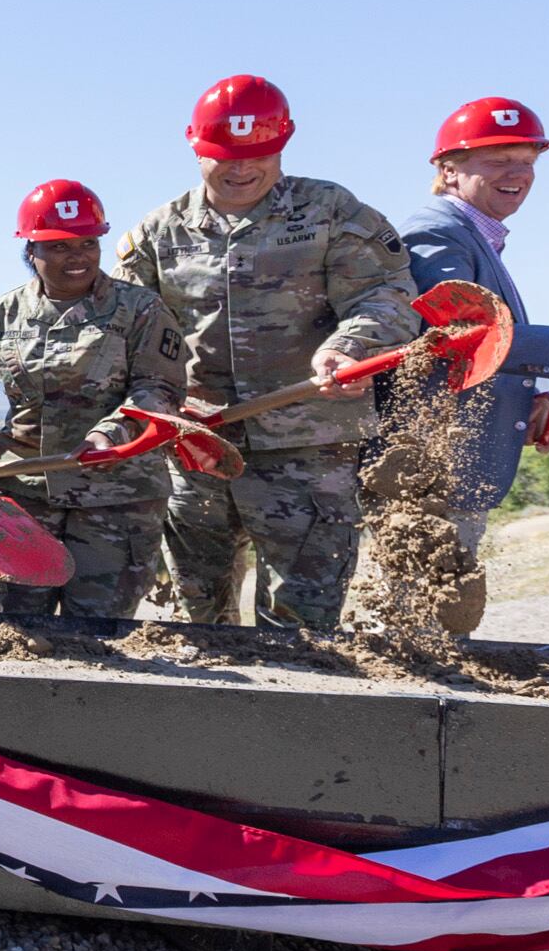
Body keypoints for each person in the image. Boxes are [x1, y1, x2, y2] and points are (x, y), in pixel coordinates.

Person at [119, 74, 419, 629]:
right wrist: (157, 405)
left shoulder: (332, 212)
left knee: (301, 623)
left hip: (308, 450)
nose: (240, 170)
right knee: (197, 618)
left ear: (285, 141)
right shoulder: (159, 234)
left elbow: (389, 296)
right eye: (222, 156)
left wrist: (349, 347)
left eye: (258, 154)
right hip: (197, 447)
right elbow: (124, 330)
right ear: (193, 144)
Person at [396, 98, 549, 564]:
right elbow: (459, 333)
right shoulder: (436, 233)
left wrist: (528, 398)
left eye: (527, 161)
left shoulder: (477, 235)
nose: (517, 173)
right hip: (434, 464)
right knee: (419, 621)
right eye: (498, 160)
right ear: (449, 169)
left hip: (455, 463)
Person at [0, 181, 185, 618]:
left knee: (98, 637)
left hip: (116, 501)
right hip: (22, 498)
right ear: (30, 250)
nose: (77, 256)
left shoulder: (141, 310)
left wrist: (111, 433)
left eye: (88, 243)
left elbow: (160, 390)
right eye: (58, 246)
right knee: (17, 632)